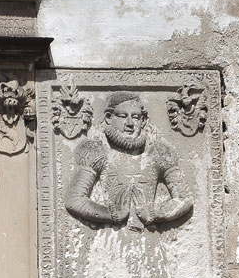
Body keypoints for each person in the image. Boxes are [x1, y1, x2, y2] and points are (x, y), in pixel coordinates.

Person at [65, 91, 192, 229]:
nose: (130, 123)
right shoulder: (96, 151)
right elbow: (74, 200)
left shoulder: (159, 153)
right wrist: (110, 214)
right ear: (108, 118)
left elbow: (184, 199)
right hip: (109, 237)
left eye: (136, 117)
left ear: (143, 121)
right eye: (122, 116)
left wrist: (154, 213)